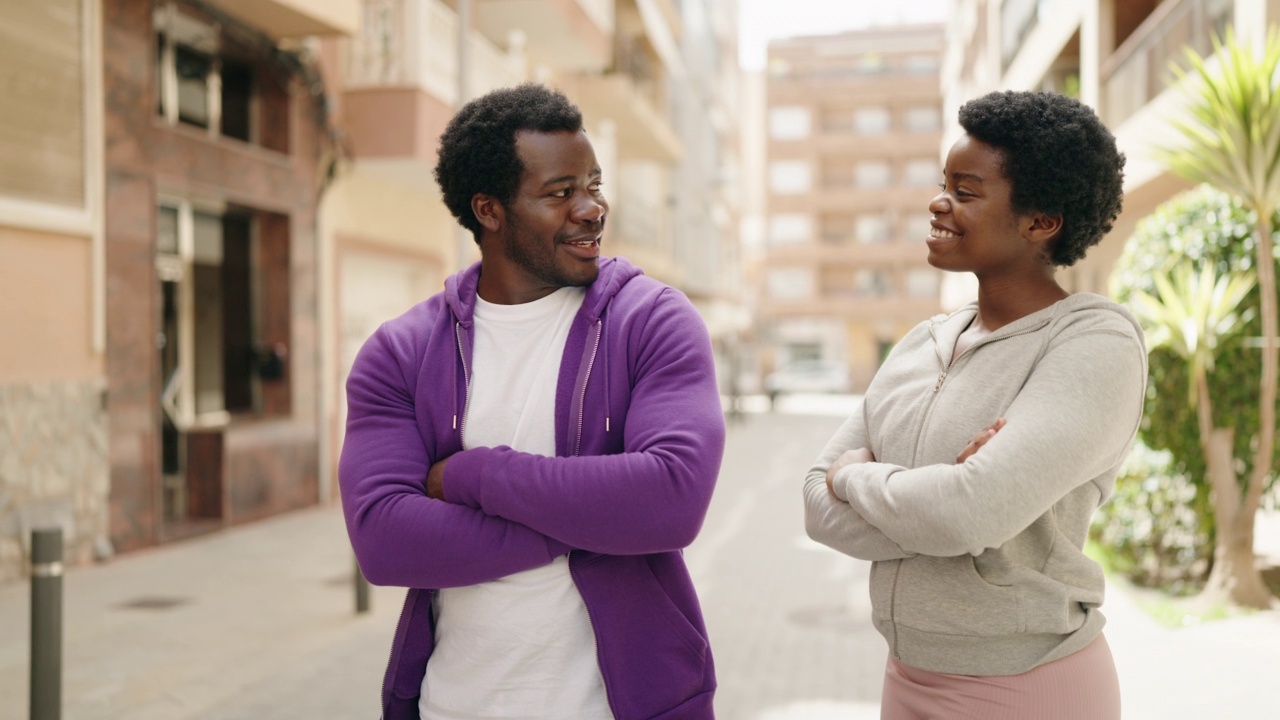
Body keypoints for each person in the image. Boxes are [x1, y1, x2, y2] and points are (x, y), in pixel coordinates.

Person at [340, 84, 724, 720]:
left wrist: (473, 474)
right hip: (453, 704)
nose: (591, 209)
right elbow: (385, 542)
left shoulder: (653, 321)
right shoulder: (400, 353)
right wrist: (596, 518)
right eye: (560, 192)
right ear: (489, 210)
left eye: (594, 185)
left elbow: (673, 498)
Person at [803, 90, 1146, 720]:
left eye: (966, 191)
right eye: (943, 185)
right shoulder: (920, 342)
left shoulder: (1094, 343)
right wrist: (942, 502)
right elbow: (815, 507)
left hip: (1028, 685)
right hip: (905, 676)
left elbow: (969, 512)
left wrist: (857, 476)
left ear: (1040, 221)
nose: (938, 202)